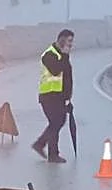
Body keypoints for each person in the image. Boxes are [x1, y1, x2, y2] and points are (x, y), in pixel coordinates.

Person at [31, 29, 74, 163]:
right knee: (56, 122)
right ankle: (50, 152)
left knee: (57, 122)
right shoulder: (49, 54)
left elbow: (67, 77)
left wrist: (68, 98)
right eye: (69, 41)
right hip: (48, 96)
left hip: (59, 97)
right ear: (61, 39)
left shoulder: (62, 55)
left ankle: (43, 147)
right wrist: (65, 56)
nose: (71, 45)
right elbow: (55, 71)